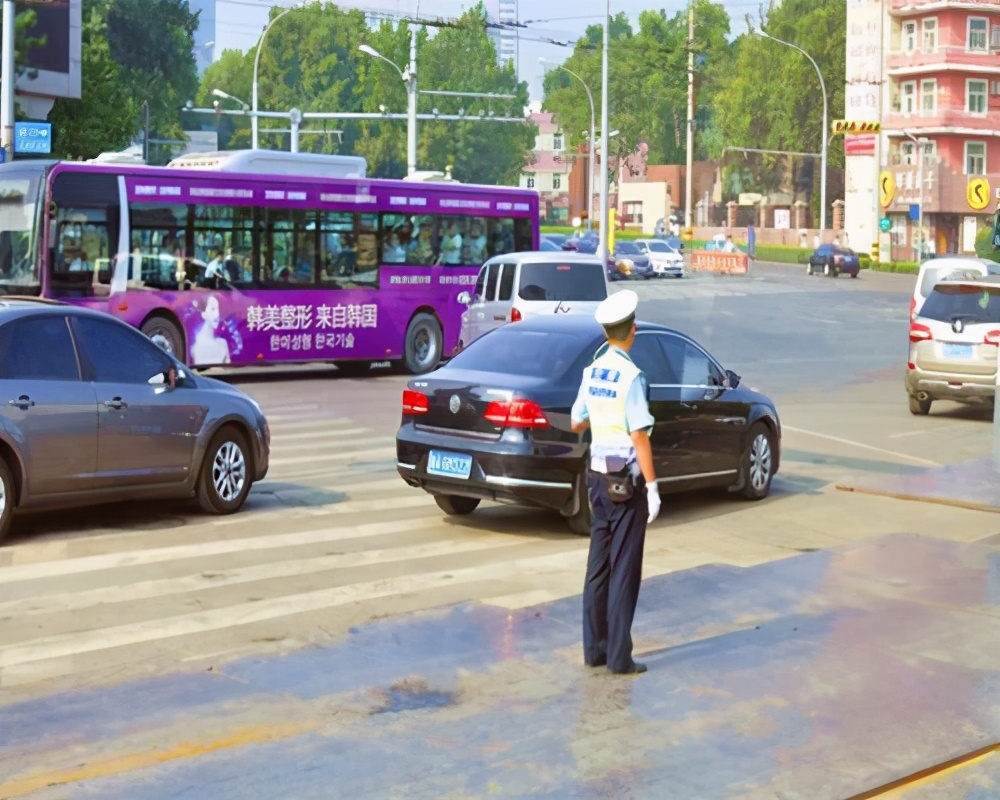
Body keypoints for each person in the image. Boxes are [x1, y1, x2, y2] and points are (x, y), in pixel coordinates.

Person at [570, 289, 660, 676]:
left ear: (607, 332)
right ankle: (619, 659)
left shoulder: (592, 372)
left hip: (595, 480)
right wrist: (653, 488)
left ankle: (595, 650)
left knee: (598, 567)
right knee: (625, 569)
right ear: (632, 331)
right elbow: (640, 435)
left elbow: (577, 421)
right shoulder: (631, 376)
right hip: (625, 483)